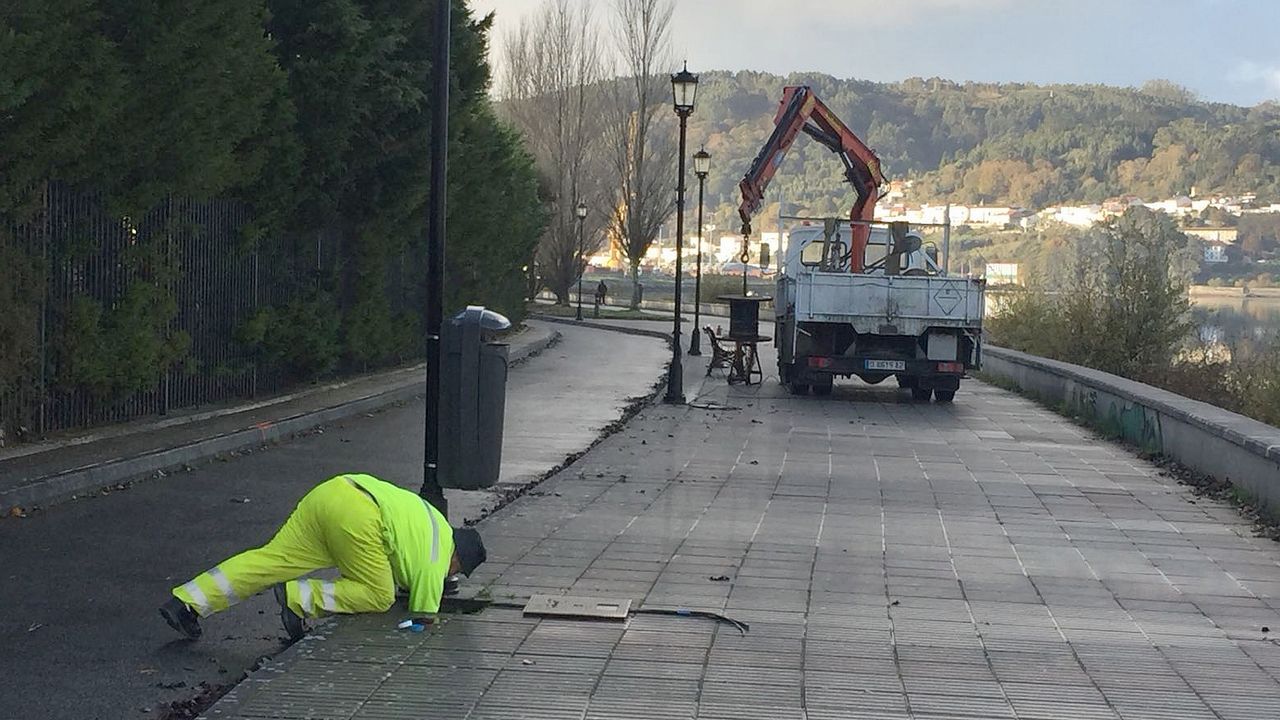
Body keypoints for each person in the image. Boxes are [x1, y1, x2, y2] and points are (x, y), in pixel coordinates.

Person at [159, 473, 486, 640]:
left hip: (333, 491)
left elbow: (396, 546)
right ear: (458, 559)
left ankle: (187, 602)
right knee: (379, 594)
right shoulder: (437, 556)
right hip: (359, 516)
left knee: (271, 559)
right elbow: (424, 615)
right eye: (456, 570)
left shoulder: (434, 521)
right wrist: (425, 623)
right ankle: (297, 598)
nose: (450, 574)